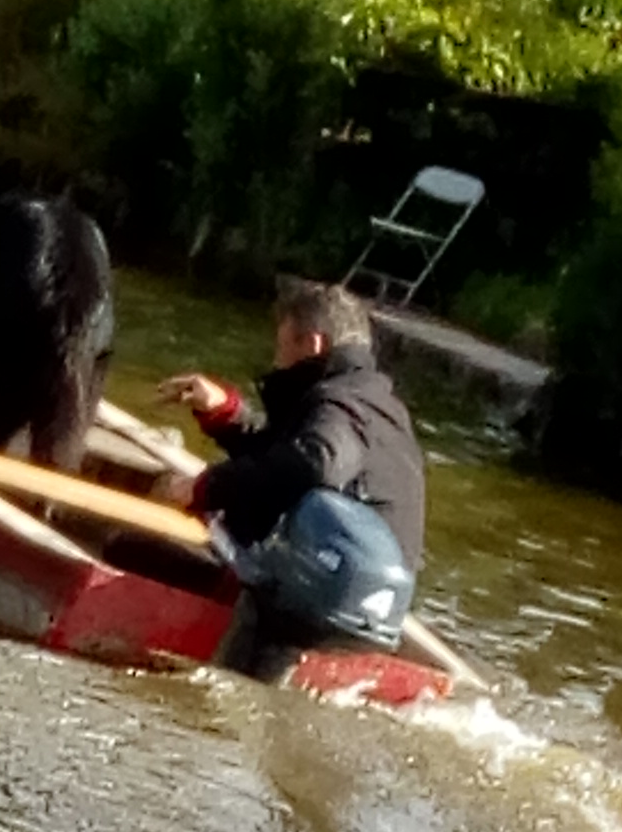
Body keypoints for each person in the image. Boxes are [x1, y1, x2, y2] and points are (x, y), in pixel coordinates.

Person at [156, 279, 425, 676]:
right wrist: (226, 414)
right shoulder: (377, 405)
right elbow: (285, 459)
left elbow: (312, 463)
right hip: (376, 608)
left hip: (309, 608)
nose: (276, 361)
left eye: (282, 348)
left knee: (130, 545)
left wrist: (207, 487)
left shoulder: (338, 404)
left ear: (313, 344)